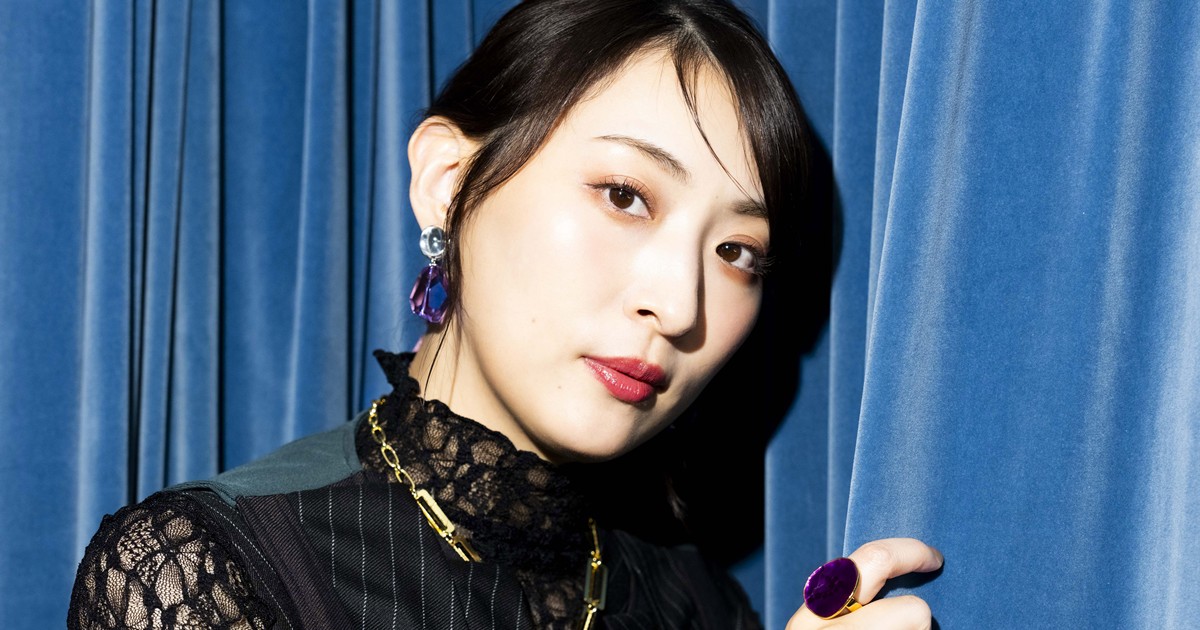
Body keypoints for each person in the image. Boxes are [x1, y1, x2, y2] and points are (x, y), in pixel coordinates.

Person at [68, 1, 942, 628]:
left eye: (737, 252)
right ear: (448, 183)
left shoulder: (700, 603)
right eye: (625, 195)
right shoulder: (207, 568)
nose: (679, 306)